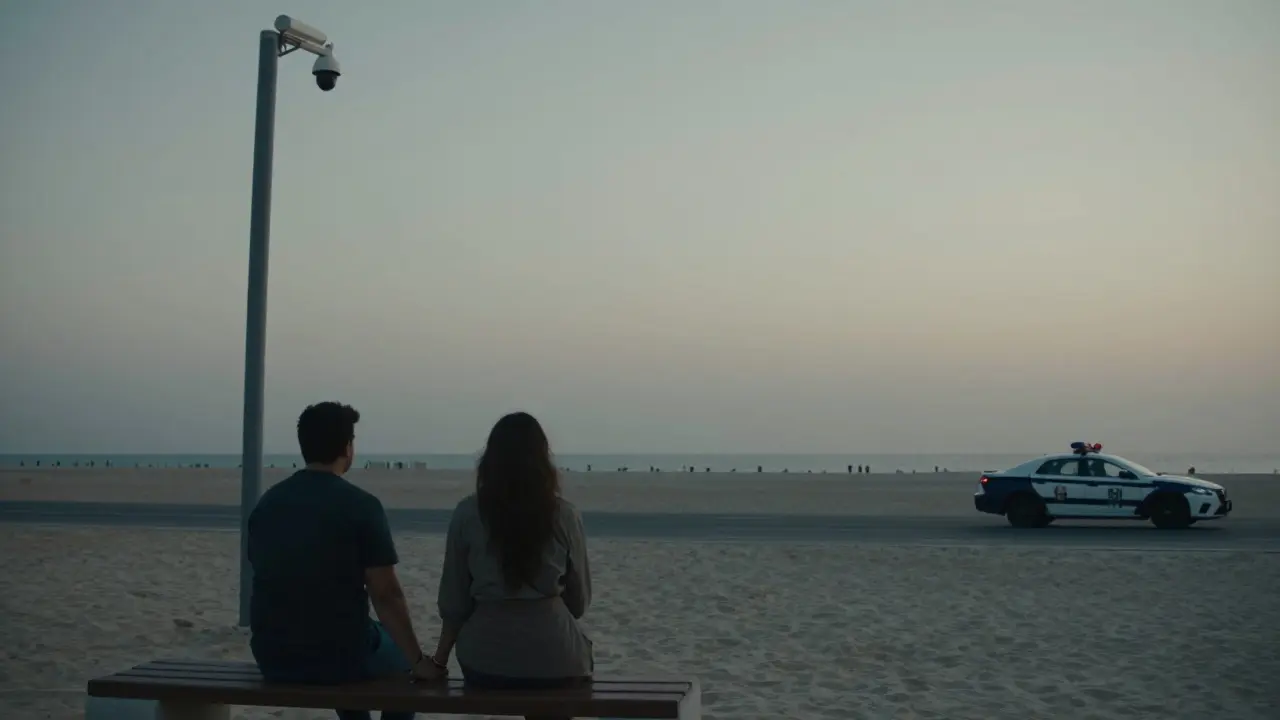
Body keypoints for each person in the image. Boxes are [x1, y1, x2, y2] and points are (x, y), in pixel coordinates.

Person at [247, 402, 443, 720]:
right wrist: (418, 658)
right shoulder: (361, 506)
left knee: (350, 636)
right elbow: (386, 594)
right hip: (340, 657)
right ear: (347, 447)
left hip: (274, 657)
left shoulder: (267, 504)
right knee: (403, 660)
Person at [426, 412, 593, 716]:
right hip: (556, 658)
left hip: (486, 661)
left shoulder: (467, 513)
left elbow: (454, 604)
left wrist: (439, 661)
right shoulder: (564, 516)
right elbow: (579, 603)